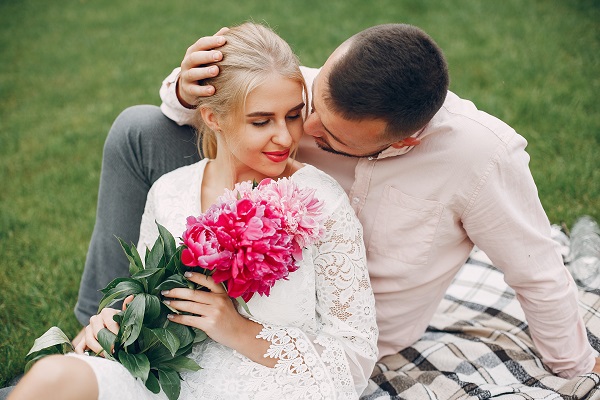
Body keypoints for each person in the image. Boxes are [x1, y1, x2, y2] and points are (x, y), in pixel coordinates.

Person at [70, 21, 599, 382]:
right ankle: (100, 325)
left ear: (402, 143)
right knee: (140, 127)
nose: (300, 133)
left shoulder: (482, 159)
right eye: (309, 106)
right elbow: (225, 106)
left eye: (328, 138)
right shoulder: (306, 99)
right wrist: (183, 90)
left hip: (332, 328)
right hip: (239, 269)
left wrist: (575, 367)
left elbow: (538, 273)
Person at [8, 22, 378, 400]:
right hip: (164, 381)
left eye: (294, 115)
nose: (285, 137)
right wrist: (122, 320)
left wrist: (235, 328)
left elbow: (355, 359)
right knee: (53, 376)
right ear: (213, 118)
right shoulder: (169, 192)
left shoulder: (321, 202)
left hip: (273, 386)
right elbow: (148, 298)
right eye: (261, 121)